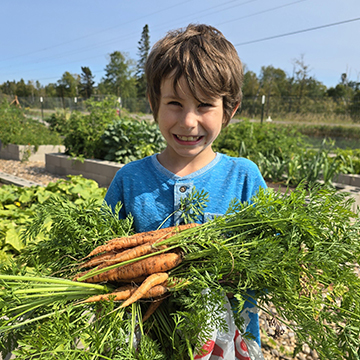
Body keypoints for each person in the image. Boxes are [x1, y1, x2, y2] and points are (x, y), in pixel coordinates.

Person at [104, 23, 267, 358]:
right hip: (148, 343)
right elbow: (104, 258)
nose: (189, 121)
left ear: (229, 110)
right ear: (154, 104)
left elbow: (273, 257)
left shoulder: (244, 178)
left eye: (205, 105)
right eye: (175, 103)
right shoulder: (129, 180)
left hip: (227, 344)